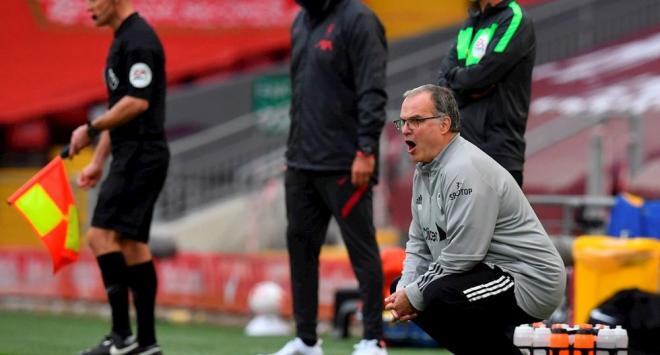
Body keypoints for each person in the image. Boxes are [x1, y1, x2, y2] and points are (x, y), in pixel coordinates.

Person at [385, 85, 565, 354]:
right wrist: (405, 291)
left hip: (528, 280)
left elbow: (462, 255)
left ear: (445, 124)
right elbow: (419, 241)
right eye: (403, 122)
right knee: (407, 288)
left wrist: (413, 295)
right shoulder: (425, 170)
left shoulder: (465, 169)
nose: (406, 129)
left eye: (416, 120)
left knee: (435, 295)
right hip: (485, 272)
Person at [265, 0, 388, 354]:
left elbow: (372, 90)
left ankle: (373, 340)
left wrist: (366, 150)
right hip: (302, 162)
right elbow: (300, 96)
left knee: (361, 249)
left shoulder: (359, 20)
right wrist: (293, 151)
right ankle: (306, 340)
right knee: (300, 249)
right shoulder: (301, 22)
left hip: (345, 163)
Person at [67, 1, 168, 354]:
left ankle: (121, 338)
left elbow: (137, 103)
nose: (86, 7)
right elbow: (121, 108)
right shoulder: (124, 38)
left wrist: (90, 128)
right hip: (134, 154)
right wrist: (97, 161)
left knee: (99, 236)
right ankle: (148, 344)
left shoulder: (138, 40)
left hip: (141, 155)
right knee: (131, 245)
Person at [437, 0, 535, 187]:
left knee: (492, 217)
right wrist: (464, 84)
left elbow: (482, 75)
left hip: (497, 154)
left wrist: (460, 83)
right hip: (460, 149)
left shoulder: (514, 18)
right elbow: (443, 78)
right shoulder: (472, 21)